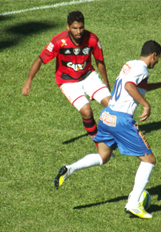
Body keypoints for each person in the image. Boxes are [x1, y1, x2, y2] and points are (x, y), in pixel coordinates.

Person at [54, 40, 161, 219]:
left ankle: (70, 168)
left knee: (103, 156)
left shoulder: (130, 64)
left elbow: (135, 86)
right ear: (153, 55)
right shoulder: (142, 69)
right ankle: (134, 203)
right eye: (158, 58)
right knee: (149, 160)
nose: (157, 62)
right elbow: (129, 87)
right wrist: (146, 105)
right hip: (121, 120)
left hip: (107, 115)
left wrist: (160, 85)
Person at [22, 11, 111, 144]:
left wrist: (106, 83)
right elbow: (40, 60)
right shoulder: (58, 42)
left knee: (112, 106)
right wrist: (28, 81)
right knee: (87, 112)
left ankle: (124, 135)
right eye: (75, 28)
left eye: (81, 27)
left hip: (88, 76)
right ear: (68, 27)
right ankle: (99, 143)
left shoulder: (92, 39)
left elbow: (99, 61)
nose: (78, 31)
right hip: (68, 82)